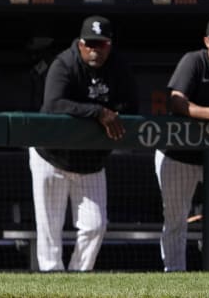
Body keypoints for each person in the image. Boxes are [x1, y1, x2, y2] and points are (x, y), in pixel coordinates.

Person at [28, 16, 138, 271]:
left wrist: (110, 113)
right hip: (52, 158)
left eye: (100, 44)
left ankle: (78, 277)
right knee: (50, 230)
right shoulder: (64, 63)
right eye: (89, 43)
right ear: (80, 44)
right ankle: (52, 283)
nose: (94, 49)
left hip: (91, 161)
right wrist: (99, 113)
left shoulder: (119, 67)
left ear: (109, 45)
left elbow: (131, 107)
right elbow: (54, 104)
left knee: (95, 225)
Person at [154, 15, 209, 272]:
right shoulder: (194, 61)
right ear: (207, 41)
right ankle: (174, 274)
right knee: (176, 220)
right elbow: (176, 101)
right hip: (179, 155)